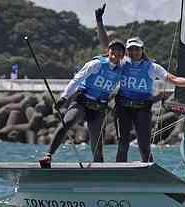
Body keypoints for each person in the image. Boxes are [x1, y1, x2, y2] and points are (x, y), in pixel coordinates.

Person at [95, 5, 185, 162]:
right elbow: (107, 46)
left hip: (142, 109)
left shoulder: (151, 67)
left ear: (142, 50)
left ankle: (149, 172)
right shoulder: (122, 63)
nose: (134, 52)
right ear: (127, 51)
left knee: (144, 146)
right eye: (131, 49)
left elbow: (173, 79)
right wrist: (99, 21)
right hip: (123, 108)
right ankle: (121, 173)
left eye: (137, 49)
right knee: (123, 144)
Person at [39, 39, 126, 167]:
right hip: (82, 101)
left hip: (99, 108)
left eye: (120, 51)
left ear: (123, 55)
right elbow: (77, 79)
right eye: (113, 49)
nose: (116, 53)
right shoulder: (96, 64)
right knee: (67, 123)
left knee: (97, 144)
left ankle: (99, 167)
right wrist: (64, 97)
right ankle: (48, 155)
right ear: (108, 51)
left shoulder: (122, 70)